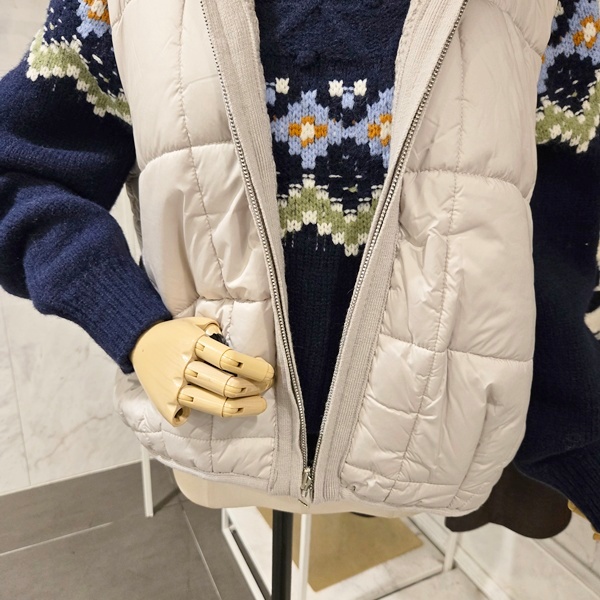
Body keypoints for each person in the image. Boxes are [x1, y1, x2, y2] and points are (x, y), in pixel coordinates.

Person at [2, 0, 597, 527]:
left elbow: (553, 250)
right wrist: (132, 325)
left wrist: (577, 446)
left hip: (426, 446)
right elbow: (18, 170)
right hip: (211, 435)